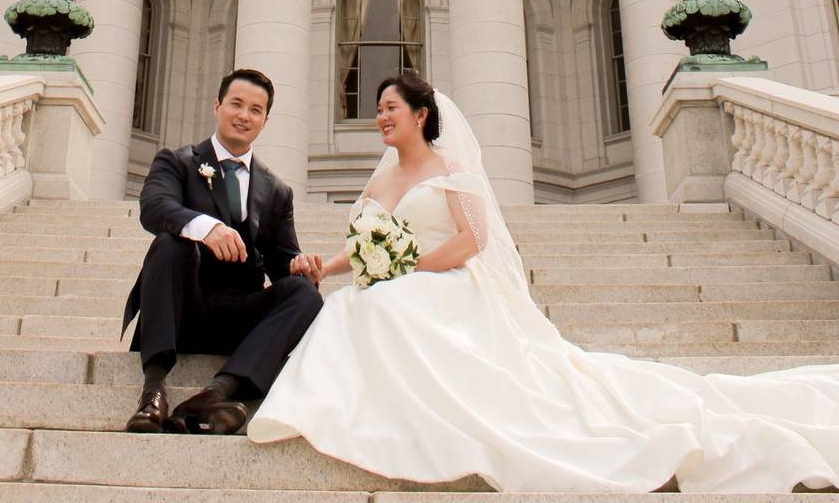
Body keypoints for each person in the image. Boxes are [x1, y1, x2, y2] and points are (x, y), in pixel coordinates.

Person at [247, 69, 839, 493]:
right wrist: (326, 265)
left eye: (389, 109)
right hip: (397, 282)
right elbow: (363, 246)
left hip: (448, 280)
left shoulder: (451, 170)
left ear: (421, 116)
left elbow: (471, 241)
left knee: (386, 308)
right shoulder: (380, 182)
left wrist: (407, 268)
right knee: (356, 308)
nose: (379, 117)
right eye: (377, 109)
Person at [122, 68, 324, 435]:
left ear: (264, 120)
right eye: (236, 104)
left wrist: (301, 269)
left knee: (305, 294)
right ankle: (153, 391)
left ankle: (217, 393)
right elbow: (153, 207)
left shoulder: (278, 191)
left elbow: (282, 264)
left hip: (239, 318)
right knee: (170, 243)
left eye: (256, 110)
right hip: (182, 309)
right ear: (217, 106)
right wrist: (204, 227)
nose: (244, 115)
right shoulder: (178, 162)